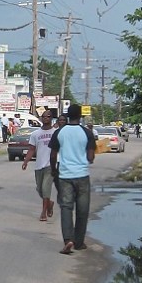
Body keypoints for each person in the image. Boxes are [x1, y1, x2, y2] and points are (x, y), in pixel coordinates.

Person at [49, 102, 96, 254]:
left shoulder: (60, 132)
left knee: (66, 208)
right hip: (82, 175)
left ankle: (68, 240)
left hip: (65, 176)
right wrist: (86, 158)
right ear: (80, 116)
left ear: (68, 116)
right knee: (82, 210)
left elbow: (53, 154)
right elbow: (90, 157)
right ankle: (79, 242)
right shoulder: (87, 133)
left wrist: (54, 171)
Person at [23, 108, 58, 221]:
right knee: (40, 189)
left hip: (51, 165)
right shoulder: (36, 134)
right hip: (39, 165)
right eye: (44, 116)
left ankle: (43, 212)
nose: (46, 118)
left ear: (51, 118)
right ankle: (49, 203)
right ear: (41, 118)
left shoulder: (55, 133)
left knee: (45, 188)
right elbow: (32, 149)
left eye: (48, 116)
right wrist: (26, 161)